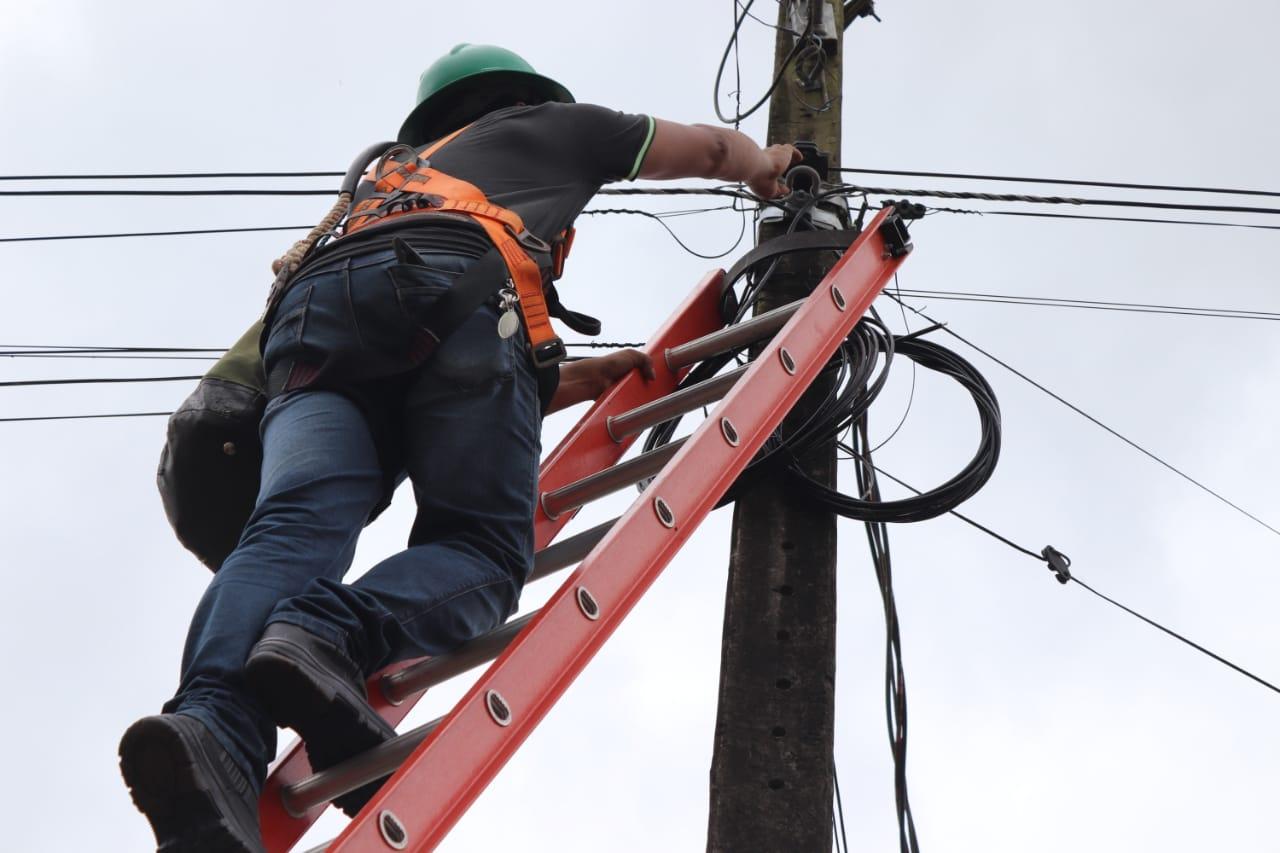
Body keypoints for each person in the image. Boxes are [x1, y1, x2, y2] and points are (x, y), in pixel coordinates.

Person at [118, 43, 799, 853]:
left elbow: (422, 347)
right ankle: (325, 636)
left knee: (290, 529)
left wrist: (583, 378)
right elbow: (714, 150)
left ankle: (212, 729)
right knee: (480, 546)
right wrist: (766, 165)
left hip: (311, 332)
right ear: (521, 97)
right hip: (455, 288)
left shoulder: (382, 186)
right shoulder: (557, 127)